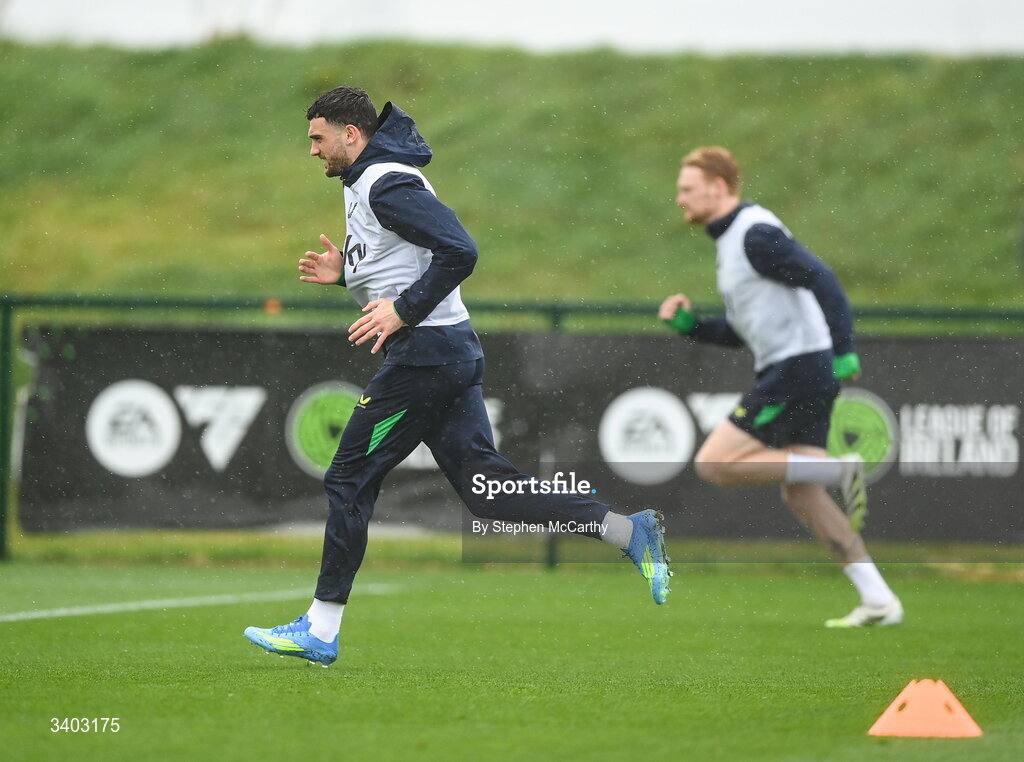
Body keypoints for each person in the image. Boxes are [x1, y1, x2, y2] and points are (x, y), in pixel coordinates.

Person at [244, 86, 671, 667]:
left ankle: (320, 628)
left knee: (347, 478)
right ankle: (626, 532)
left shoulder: (385, 181)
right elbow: (409, 257)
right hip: (447, 351)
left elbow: (459, 250)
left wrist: (403, 310)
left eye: (318, 138)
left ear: (351, 133)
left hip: (425, 355)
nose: (313, 151)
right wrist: (348, 275)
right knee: (485, 490)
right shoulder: (369, 181)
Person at [659, 146, 901, 628]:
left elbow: (823, 278)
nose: (679, 198)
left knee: (714, 462)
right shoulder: (733, 243)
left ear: (718, 186)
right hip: (799, 366)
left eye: (687, 189)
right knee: (802, 493)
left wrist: (843, 349)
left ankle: (840, 471)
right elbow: (740, 331)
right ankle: (879, 600)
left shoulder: (755, 235)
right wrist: (691, 325)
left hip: (799, 368)